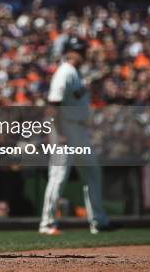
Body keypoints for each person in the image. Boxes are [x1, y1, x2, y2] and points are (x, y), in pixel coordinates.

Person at [38, 37, 111, 235]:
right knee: (59, 176)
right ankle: (47, 222)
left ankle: (98, 220)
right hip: (64, 129)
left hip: (78, 130)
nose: (85, 54)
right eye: (81, 51)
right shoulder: (65, 72)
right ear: (71, 52)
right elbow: (53, 105)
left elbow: (76, 97)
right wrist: (59, 133)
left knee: (92, 172)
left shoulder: (76, 73)